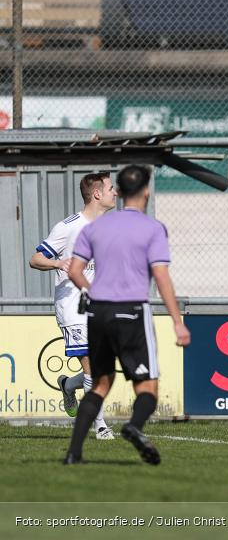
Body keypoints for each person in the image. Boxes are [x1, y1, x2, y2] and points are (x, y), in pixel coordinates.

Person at [63, 165, 190, 465]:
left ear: (118, 191)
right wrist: (177, 322)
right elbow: (161, 276)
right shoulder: (152, 228)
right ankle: (134, 426)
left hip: (98, 312)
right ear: (146, 191)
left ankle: (73, 453)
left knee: (100, 384)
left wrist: (91, 293)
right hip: (132, 310)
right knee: (147, 387)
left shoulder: (94, 228)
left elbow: (75, 271)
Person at [29, 172, 117, 440]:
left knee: (100, 370)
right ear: (97, 194)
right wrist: (58, 263)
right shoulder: (68, 227)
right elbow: (35, 259)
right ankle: (99, 425)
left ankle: (68, 384)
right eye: (111, 188)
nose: (116, 192)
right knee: (91, 364)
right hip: (71, 305)